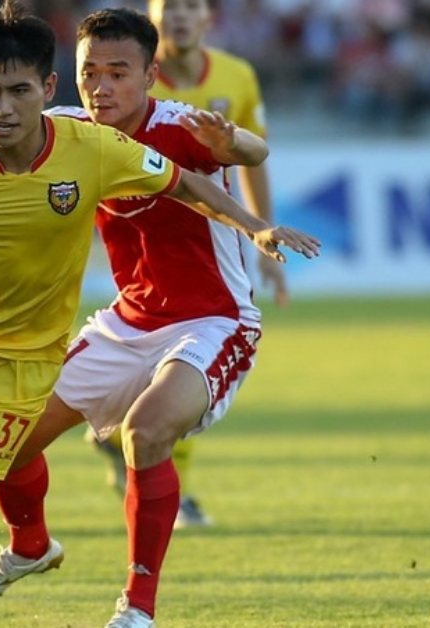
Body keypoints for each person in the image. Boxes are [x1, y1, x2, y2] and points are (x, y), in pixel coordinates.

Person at [0, 3, 319, 626]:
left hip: (202, 321)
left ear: (149, 75)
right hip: (100, 321)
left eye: (117, 73)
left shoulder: (149, 133)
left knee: (139, 434)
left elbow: (225, 163)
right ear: (67, 79)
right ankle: (30, 546)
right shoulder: (60, 127)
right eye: (90, 72)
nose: (101, 86)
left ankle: (136, 609)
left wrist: (252, 207)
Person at [86, 0, 286, 529]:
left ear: (207, 18)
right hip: (139, 252)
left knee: (183, 376)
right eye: (166, 7)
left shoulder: (236, 76)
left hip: (211, 241)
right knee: (162, 373)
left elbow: (251, 157)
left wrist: (262, 229)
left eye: (188, 6)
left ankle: (174, 487)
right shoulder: (118, 82)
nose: (177, 16)